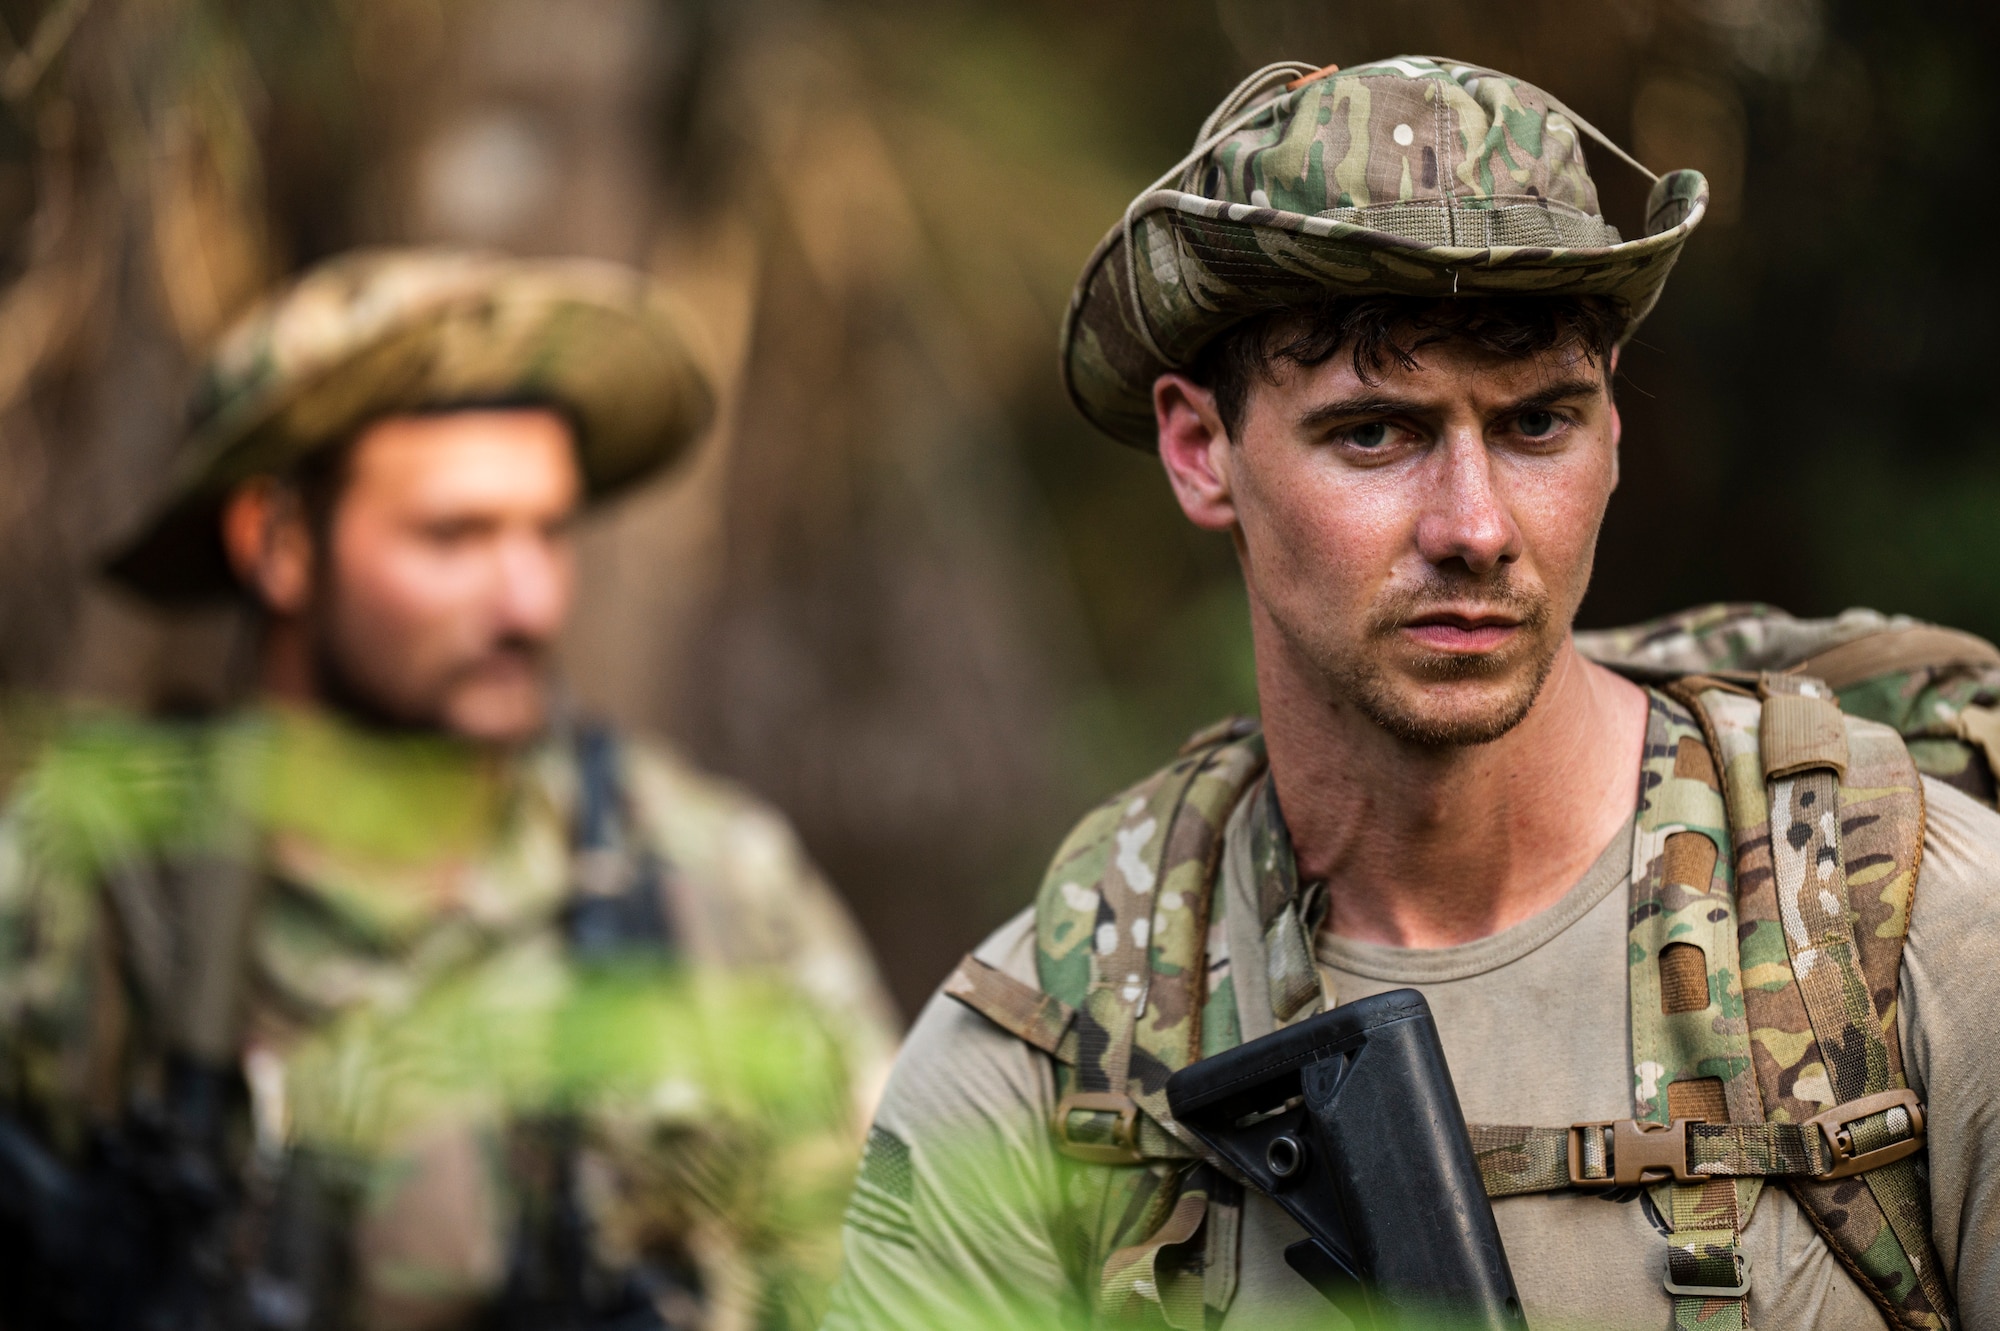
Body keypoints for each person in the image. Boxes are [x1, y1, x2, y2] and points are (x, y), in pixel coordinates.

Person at [823, 56, 2000, 1331]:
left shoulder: (1909, 935)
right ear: (1198, 449)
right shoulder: (1049, 1055)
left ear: (1614, 436)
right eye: (1372, 433)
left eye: (1536, 423)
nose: (1475, 526)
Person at [0, 249, 898, 1330]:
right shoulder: (86, 884)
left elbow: (892, 1275)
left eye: (548, 532)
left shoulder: (714, 890)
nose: (526, 600)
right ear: (276, 542)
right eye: (454, 536)